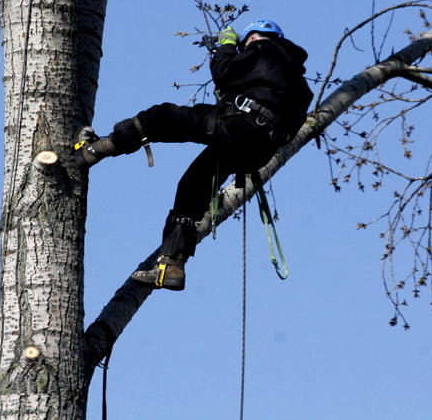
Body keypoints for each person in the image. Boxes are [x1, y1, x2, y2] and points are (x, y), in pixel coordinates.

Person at [75, 19, 313, 290]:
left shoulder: (265, 49)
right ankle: (172, 266)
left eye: (247, 41)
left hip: (238, 126)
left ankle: (95, 150)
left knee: (162, 117)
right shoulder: (298, 83)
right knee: (192, 187)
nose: (245, 46)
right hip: (257, 149)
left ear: (257, 37)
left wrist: (225, 46)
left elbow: (225, 72)